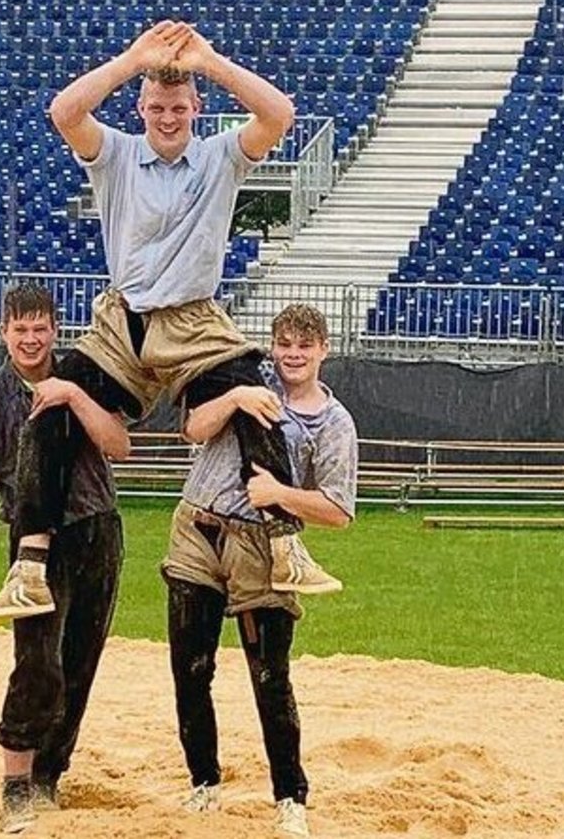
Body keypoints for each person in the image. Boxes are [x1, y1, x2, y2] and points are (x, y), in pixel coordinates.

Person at [0, 20, 339, 624]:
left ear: (196, 107)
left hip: (195, 323)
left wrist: (210, 59)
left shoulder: (221, 157)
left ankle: (283, 544)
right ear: (140, 106)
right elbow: (64, 112)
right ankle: (29, 567)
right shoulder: (116, 154)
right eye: (156, 107)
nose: (167, 118)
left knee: (255, 396)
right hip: (124, 319)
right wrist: (131, 58)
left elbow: (279, 115)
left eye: (178, 107)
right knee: (50, 404)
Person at [163, 304, 358, 838]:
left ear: (324, 349)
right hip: (198, 528)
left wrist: (279, 495)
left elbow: (338, 510)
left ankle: (289, 796)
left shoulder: (334, 423)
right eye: (285, 344)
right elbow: (194, 430)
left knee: (269, 676)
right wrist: (234, 398)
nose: (293, 355)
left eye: (304, 345)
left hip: (263, 547)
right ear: (273, 346)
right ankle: (204, 781)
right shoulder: (245, 382)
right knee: (191, 667)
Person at [0, 284, 131, 834]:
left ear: (55, 328)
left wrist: (73, 396)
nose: (30, 338)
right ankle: (17, 783)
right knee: (37, 662)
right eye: (20, 329)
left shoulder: (82, 376)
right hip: (32, 549)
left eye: (40, 328)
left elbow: (119, 445)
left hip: (96, 531)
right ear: (3, 331)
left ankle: (51, 773)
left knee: (80, 663)